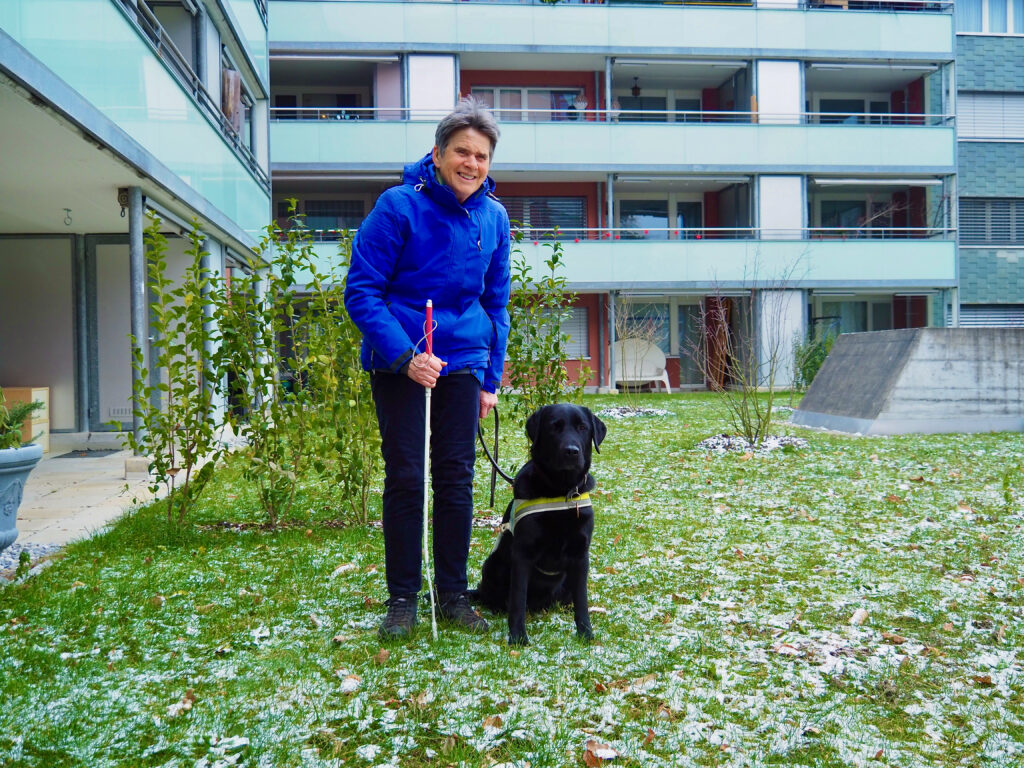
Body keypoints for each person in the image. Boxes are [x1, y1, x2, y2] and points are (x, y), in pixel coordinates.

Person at [344, 98, 511, 639]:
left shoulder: (495, 216)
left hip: (462, 363)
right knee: (408, 478)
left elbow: (496, 302)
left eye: (481, 155)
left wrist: (490, 380)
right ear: (438, 154)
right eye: (462, 151)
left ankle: (454, 594)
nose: (472, 163)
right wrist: (404, 357)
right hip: (402, 366)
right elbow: (362, 292)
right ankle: (402, 599)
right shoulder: (397, 207)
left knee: (456, 480)